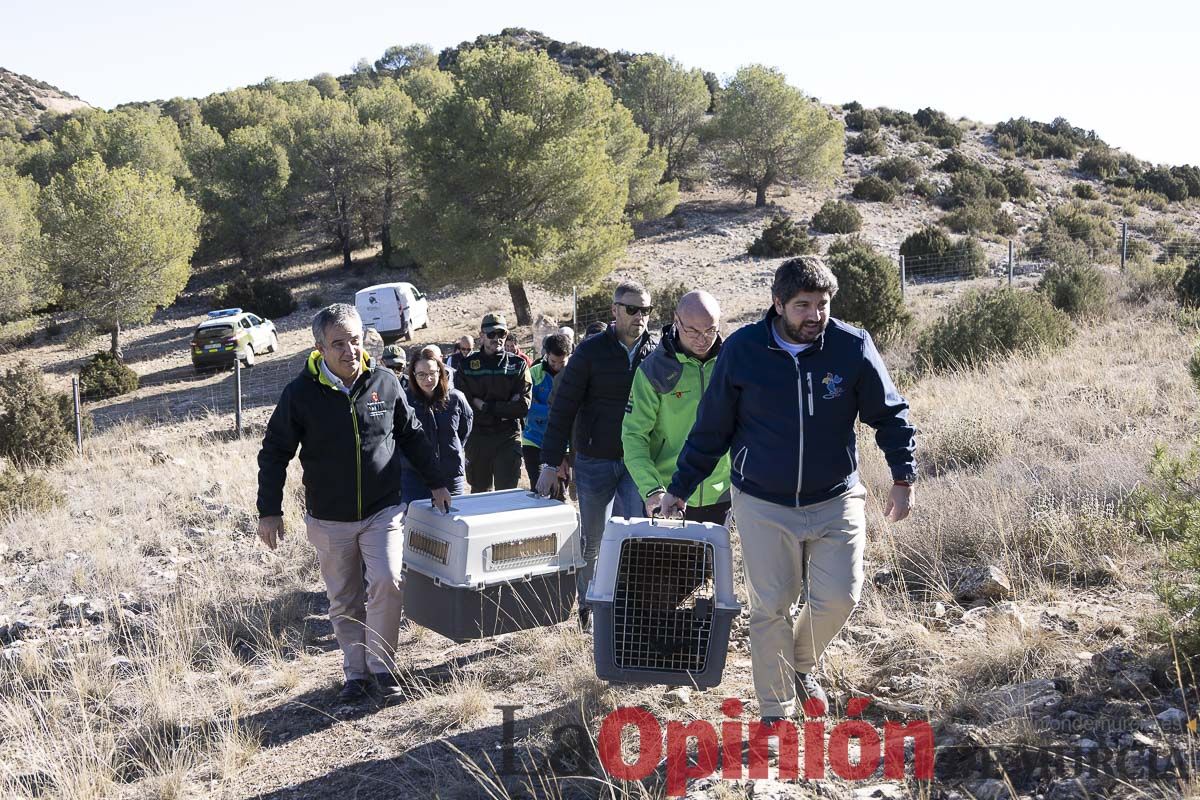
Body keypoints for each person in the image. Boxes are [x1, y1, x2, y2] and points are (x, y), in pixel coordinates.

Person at [659, 257, 916, 722]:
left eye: (822, 305)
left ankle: (798, 663)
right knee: (770, 608)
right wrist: (680, 487)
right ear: (777, 304)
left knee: (841, 596)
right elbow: (711, 427)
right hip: (762, 502)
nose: (815, 316)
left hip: (836, 496)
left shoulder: (852, 346)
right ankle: (775, 712)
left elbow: (890, 414)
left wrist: (903, 476)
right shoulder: (743, 350)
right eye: (803, 306)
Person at [256, 304, 452, 703]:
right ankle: (356, 673)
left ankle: (382, 668)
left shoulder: (384, 381)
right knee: (343, 597)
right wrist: (269, 510)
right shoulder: (300, 394)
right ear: (320, 347)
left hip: (383, 509)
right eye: (339, 343)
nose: (350, 351)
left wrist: (437, 481)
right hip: (330, 518)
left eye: (356, 341)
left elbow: (411, 434)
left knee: (387, 581)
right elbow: (275, 452)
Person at [536, 281, 657, 628]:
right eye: (632, 310)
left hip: (638, 462)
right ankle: (588, 608)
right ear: (615, 311)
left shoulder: (657, 350)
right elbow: (563, 407)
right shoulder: (590, 352)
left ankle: (624, 611)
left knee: (633, 536)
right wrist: (551, 461)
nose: (640, 317)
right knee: (593, 539)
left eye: (646, 310)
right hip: (594, 459)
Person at [623, 290, 731, 524]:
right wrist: (652, 489)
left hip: (724, 494)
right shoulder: (653, 371)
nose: (702, 338)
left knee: (719, 562)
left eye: (711, 329)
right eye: (693, 330)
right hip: (669, 497)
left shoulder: (732, 363)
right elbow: (633, 436)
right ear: (676, 320)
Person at [454, 313, 532, 492]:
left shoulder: (518, 365)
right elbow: (465, 407)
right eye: (491, 334)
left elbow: (523, 406)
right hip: (478, 437)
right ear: (481, 335)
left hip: (508, 437)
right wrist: (505, 406)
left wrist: (485, 405)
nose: (497, 339)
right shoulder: (467, 366)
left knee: (507, 494)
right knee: (480, 495)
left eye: (502, 334)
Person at [402, 347, 473, 503]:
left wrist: (451, 450)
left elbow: (464, 431)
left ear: (440, 372)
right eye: (421, 375)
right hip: (415, 478)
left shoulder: (456, 398)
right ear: (413, 375)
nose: (428, 380)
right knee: (417, 525)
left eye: (432, 373)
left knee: (452, 523)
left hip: (450, 474)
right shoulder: (404, 401)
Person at [522, 333, 573, 486]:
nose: (557, 366)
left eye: (562, 363)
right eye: (552, 361)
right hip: (534, 440)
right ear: (546, 354)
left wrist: (544, 409)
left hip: (564, 444)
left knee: (559, 491)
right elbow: (527, 407)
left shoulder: (575, 375)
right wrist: (557, 413)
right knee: (539, 487)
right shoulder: (533, 373)